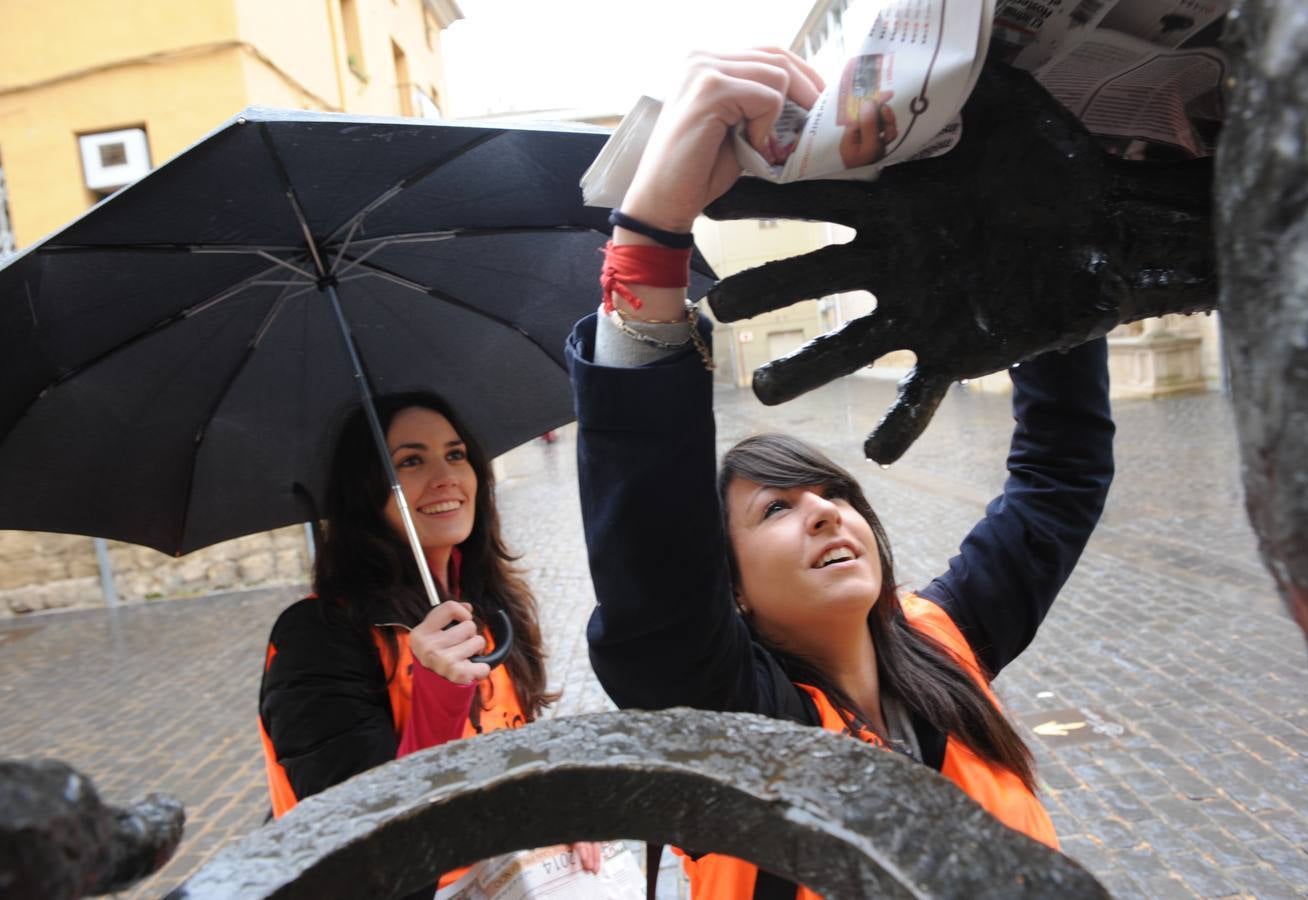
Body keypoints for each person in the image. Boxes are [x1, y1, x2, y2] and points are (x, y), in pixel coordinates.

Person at [566, 49, 1114, 899]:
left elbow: (1059, 475)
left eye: (836, 494)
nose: (825, 512)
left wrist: (1045, 286)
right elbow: (653, 575)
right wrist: (647, 243)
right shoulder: (733, 732)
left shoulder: (945, 642)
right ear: (730, 590)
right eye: (776, 509)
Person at [257, 391, 600, 897]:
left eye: (456, 454)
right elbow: (361, 842)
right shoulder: (318, 637)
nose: (446, 478)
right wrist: (436, 697)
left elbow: (507, 745)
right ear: (364, 490)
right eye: (411, 461)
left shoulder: (484, 604)